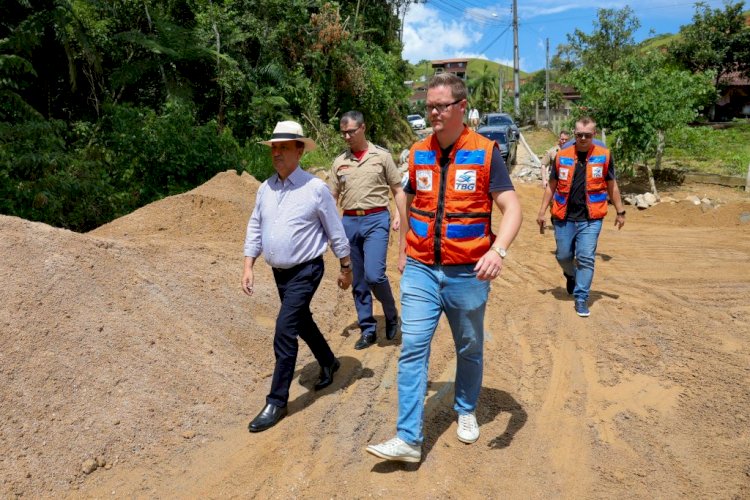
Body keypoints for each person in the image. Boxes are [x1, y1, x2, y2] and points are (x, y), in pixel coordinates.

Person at [365, 73, 523, 463]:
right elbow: (406, 195)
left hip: (468, 272)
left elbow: (512, 207)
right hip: (421, 267)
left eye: (441, 106)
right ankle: (408, 439)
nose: (434, 112)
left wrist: (497, 252)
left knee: (469, 345)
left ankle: (466, 408)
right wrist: (403, 246)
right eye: (430, 106)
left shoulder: (487, 152)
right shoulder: (418, 152)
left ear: (461, 108)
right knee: (413, 347)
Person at [242, 120, 353, 433]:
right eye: (274, 147)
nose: (276, 153)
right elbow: (254, 226)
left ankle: (276, 401)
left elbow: (335, 230)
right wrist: (248, 264)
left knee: (284, 329)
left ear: (299, 150)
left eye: (284, 147)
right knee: (301, 321)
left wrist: (346, 267)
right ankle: (329, 361)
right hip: (280, 274)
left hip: (307, 270)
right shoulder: (265, 189)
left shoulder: (314, 189)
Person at [328, 111, 408, 350]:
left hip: (376, 220)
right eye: (343, 133)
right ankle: (368, 328)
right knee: (359, 280)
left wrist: (399, 216)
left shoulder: (381, 157)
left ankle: (391, 315)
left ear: (363, 128)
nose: (347, 137)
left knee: (374, 275)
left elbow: (398, 190)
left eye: (351, 131)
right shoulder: (339, 162)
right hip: (349, 222)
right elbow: (331, 198)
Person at [535, 116, 626, 318]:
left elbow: (612, 185)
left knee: (585, 258)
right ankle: (571, 275)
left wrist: (620, 211)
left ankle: (581, 297)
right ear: (574, 134)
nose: (583, 138)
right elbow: (552, 186)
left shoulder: (604, 156)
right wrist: (541, 211)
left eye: (587, 135)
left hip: (591, 218)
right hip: (563, 217)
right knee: (563, 256)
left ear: (594, 134)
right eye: (579, 135)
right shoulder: (562, 155)